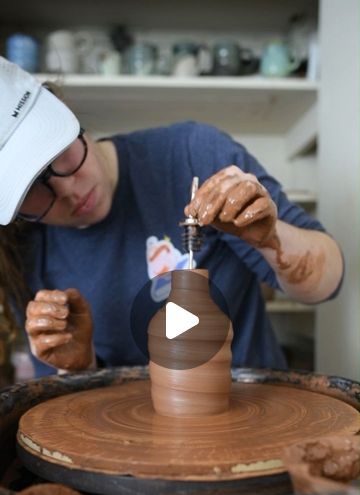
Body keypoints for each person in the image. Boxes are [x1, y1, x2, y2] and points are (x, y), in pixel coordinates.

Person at [0, 56, 344, 378]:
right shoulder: (25, 252)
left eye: (60, 155)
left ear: (66, 114)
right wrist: (80, 366)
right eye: (32, 190)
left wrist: (272, 239)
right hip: (131, 436)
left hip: (255, 414)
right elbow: (67, 408)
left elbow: (326, 283)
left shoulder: (192, 154)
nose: (68, 191)